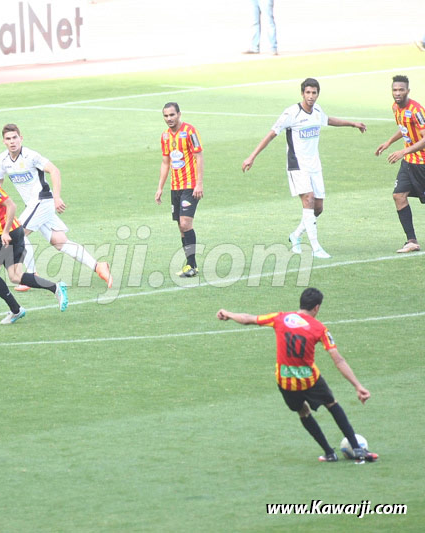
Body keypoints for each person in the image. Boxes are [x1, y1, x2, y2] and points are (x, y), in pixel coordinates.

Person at [216, 287, 378, 463]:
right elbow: (338, 360)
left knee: (303, 411)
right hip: (310, 380)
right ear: (316, 308)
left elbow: (248, 319)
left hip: (285, 382)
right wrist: (357, 386)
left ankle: (329, 453)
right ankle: (357, 448)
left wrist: (228, 314)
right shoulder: (320, 329)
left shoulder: (280, 318)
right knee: (332, 404)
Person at [242, 78, 367, 259]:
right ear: (302, 94)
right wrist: (251, 156)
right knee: (308, 199)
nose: (310, 96)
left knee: (318, 208)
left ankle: (296, 235)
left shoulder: (317, 110)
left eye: (314, 93)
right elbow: (271, 134)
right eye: (307, 93)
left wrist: (352, 124)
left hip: (314, 165)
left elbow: (328, 120)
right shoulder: (291, 113)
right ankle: (316, 247)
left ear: (317, 94)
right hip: (297, 166)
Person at [0, 124, 112, 292]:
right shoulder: (2, 160)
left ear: (21, 138)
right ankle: (99, 266)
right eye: (8, 139)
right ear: (4, 142)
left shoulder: (31, 156)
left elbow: (54, 170)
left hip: (43, 201)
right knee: (60, 242)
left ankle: (30, 276)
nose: (12, 142)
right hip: (34, 206)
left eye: (15, 137)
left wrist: (56, 197)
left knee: (17, 233)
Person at [0, 156, 68, 324]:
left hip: (4, 234)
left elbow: (11, 205)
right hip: (11, 232)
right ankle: (55, 288)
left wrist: (5, 232)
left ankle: (16, 310)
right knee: (15, 276)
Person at [374, 74, 425, 253]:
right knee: (398, 195)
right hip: (409, 162)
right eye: (395, 90)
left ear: (408, 91)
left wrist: (403, 151)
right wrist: (389, 142)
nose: (397, 93)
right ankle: (411, 240)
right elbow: (404, 128)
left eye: (401, 90)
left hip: (422, 163)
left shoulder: (417, 110)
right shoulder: (396, 107)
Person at [155, 102, 204, 277]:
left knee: (185, 223)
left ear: (179, 114)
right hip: (175, 187)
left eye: (172, 115)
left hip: (190, 186)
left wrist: (199, 183)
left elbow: (199, 156)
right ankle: (190, 265)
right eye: (166, 116)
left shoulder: (190, 131)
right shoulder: (165, 137)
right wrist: (160, 187)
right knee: (181, 227)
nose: (169, 119)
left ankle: (192, 266)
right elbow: (165, 162)